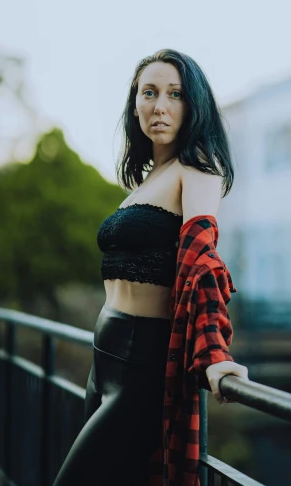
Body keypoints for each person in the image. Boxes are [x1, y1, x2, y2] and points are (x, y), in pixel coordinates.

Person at [52, 49, 249, 486]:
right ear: (135, 104)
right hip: (104, 357)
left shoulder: (199, 167)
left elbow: (202, 259)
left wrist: (215, 355)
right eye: (149, 92)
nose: (160, 105)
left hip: (143, 364)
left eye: (175, 94)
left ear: (193, 105)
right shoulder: (146, 181)